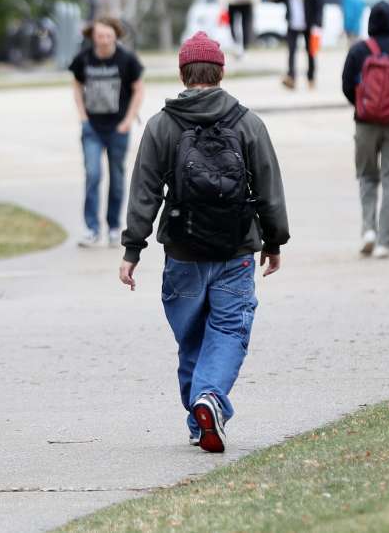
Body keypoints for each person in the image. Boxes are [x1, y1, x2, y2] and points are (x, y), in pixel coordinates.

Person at [119, 31, 290, 453]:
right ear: (220, 72)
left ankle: (198, 418)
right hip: (236, 250)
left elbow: (144, 191)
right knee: (229, 330)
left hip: (183, 250)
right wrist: (274, 240)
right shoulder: (247, 123)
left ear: (182, 72)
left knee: (192, 337)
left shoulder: (162, 125)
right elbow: (268, 186)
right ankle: (209, 401)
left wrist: (132, 249)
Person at [342, 1, 389, 258]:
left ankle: (368, 231)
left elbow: (346, 86)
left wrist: (363, 106)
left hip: (364, 124)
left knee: (367, 176)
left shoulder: (359, 51)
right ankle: (385, 241)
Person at [69, 17, 145, 247]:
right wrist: (83, 117)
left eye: (108, 36)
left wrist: (128, 120)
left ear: (116, 36)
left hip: (118, 128)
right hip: (92, 127)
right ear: (93, 36)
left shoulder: (127, 60)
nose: (103, 41)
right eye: (99, 36)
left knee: (117, 178)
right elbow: (76, 85)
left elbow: (139, 89)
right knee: (92, 175)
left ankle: (113, 227)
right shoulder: (84, 59)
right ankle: (92, 229)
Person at [267, 0, 324, 90]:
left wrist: (318, 23)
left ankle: (311, 77)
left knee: (310, 52)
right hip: (293, 22)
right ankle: (291, 77)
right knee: (291, 51)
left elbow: (319, 4)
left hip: (308, 23)